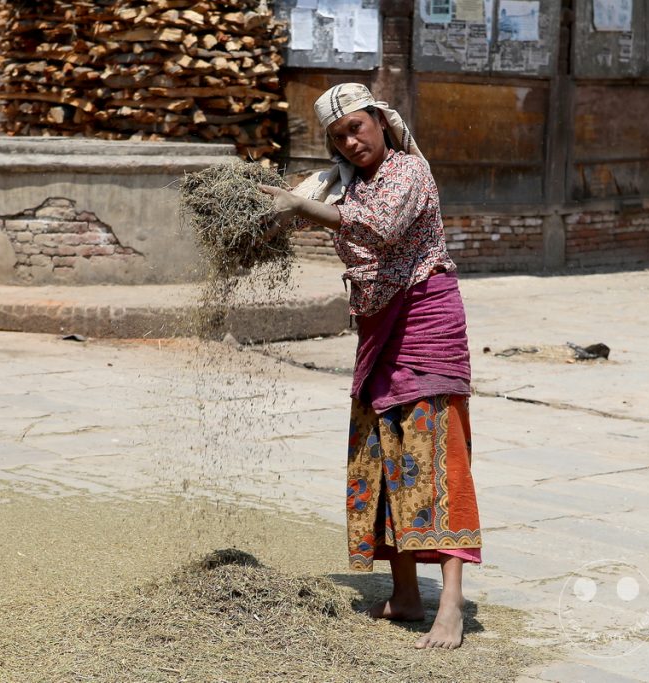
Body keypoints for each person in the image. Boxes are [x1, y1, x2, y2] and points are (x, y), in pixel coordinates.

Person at [260, 83, 482, 650]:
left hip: (425, 318)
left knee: (435, 455)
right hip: (378, 327)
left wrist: (300, 205)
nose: (351, 141)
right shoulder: (345, 183)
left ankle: (450, 605)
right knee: (384, 455)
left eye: (357, 127)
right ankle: (405, 594)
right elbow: (301, 216)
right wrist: (260, 211)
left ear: (381, 121)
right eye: (338, 136)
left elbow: (376, 228)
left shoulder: (409, 172)